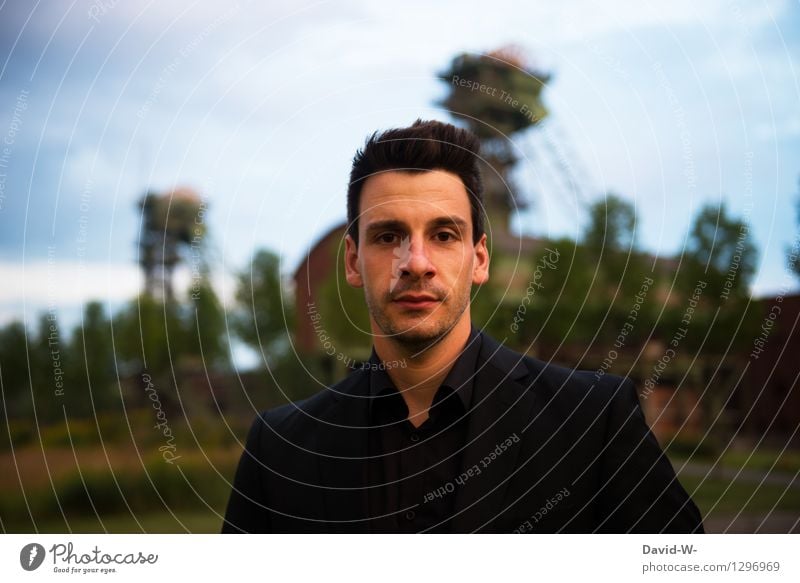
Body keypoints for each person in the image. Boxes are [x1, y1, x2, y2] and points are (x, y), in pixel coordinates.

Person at [221, 119, 704, 534]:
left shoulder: (594, 422)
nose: (415, 263)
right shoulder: (279, 450)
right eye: (388, 236)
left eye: (444, 235)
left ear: (479, 259)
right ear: (352, 261)